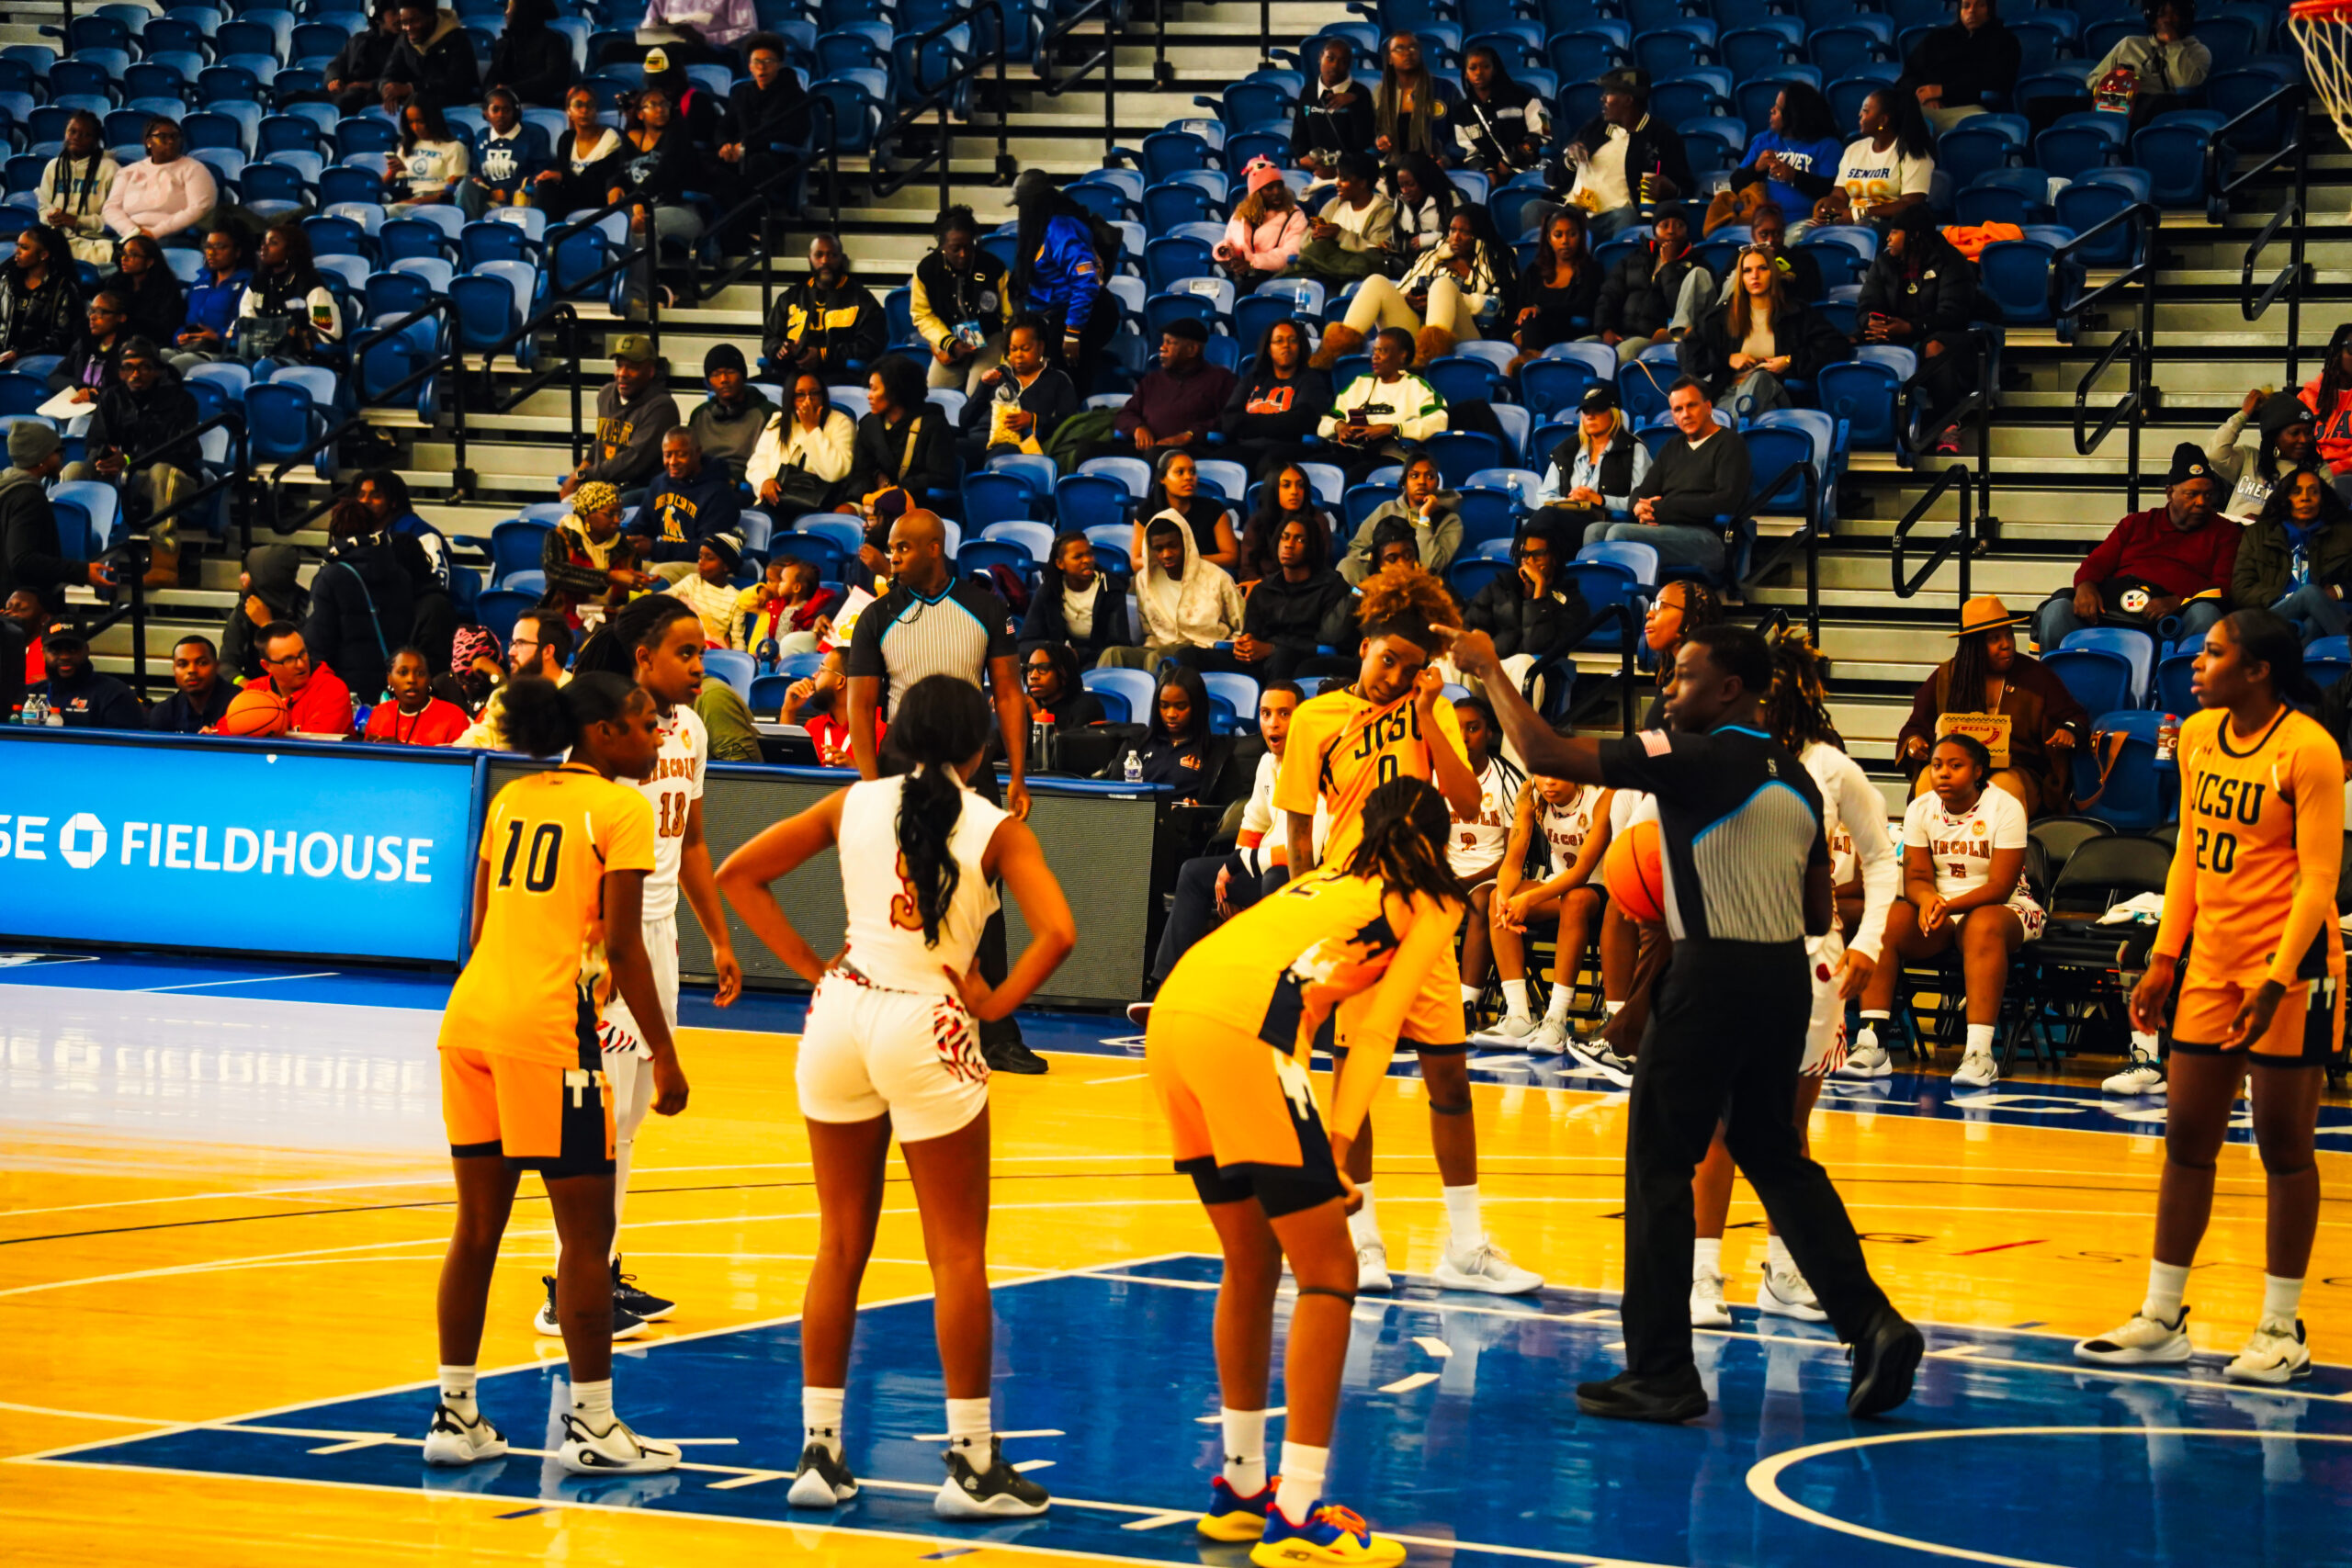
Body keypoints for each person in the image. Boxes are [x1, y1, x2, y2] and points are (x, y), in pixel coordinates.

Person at [1453, 618, 1922, 1423]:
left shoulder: (1689, 754)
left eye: (1685, 675)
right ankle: (1873, 1322)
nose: (1669, 689)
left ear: (1730, 688)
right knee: (1777, 1158)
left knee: (1659, 1165)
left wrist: (1490, 671)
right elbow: (1817, 909)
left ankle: (1663, 1370)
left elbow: (1542, 751)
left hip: (1712, 978)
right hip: (1781, 981)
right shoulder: (1796, 775)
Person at [717, 673, 1072, 1515]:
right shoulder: (996, 826)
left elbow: (738, 874)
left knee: (839, 1244)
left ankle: (818, 1453)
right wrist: (995, 1002)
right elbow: (1059, 931)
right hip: (928, 1019)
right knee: (956, 1254)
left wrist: (813, 968)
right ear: (979, 748)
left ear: (900, 735)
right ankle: (972, 1464)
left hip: (840, 1014)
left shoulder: (853, 801)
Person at [1147, 774, 1459, 1563]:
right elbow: (1377, 1030)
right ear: (1435, 843)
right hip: (1242, 1032)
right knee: (1330, 1272)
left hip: (1171, 1018)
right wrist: (1341, 1143)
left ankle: (1241, 1488)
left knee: (1251, 1261)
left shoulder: (1316, 878)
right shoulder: (1426, 902)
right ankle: (1295, 1513)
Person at [421, 671, 684, 1478]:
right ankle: (593, 1426)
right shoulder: (621, 808)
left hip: (470, 1021)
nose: (658, 737)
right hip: (548, 1031)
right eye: (646, 723)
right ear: (603, 732)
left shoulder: (512, 797)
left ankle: (454, 1414)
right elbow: (626, 946)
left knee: (475, 1228)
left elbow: (479, 925)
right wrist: (665, 1054)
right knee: (586, 1239)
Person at [2075, 610, 2338, 1382]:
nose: (2196, 661)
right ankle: (2162, 1316)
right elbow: (2189, 850)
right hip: (2211, 961)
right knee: (2188, 1136)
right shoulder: (2195, 735)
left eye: (2214, 652)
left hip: (2292, 966)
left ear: (2257, 670)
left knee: (2284, 1146)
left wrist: (2276, 980)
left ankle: (2281, 1327)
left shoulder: (2309, 749)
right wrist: (2165, 957)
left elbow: (2319, 880)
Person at [1275, 567, 1541, 1298]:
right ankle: (1363, 1241)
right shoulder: (1314, 719)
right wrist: (1306, 915)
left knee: (1449, 1079)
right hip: (1355, 914)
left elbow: (1465, 800)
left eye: (1411, 666)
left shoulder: (1435, 711)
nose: (1395, 675)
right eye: (1388, 659)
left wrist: (1427, 713)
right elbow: (1297, 832)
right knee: (1355, 1085)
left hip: (1425, 907)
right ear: (1364, 645)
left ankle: (1466, 1246)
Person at [537, 596, 744, 1333]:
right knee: (597, 1120)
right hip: (605, 941)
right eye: (685, 654)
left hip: (660, 935)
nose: (699, 668)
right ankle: (570, 1283)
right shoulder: (603, 736)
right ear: (642, 659)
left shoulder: (690, 729)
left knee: (627, 1120)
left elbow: (691, 837)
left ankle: (601, 1268)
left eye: (703, 654)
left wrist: (718, 935)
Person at [1690, 629, 1897, 1325]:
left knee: (1786, 1127)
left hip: (1812, 960)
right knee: (1720, 1122)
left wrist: (1869, 941)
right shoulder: (1717, 754)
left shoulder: (1832, 768)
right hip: (1731, 951)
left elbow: (1881, 859)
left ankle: (1783, 1272)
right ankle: (1702, 1276)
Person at [842, 510, 1045, 1074]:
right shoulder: (876, 615)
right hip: (900, 769)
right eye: (891, 549)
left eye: (902, 548)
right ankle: (895, 1024)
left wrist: (1018, 775)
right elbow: (860, 704)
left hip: (972, 768)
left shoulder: (984, 606)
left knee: (985, 900)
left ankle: (997, 1033)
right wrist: (869, 784)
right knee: (900, 895)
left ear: (935, 548)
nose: (892, 558)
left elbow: (1009, 694)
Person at [1856, 732, 2045, 1089]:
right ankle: (1872, 1041)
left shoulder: (2005, 807)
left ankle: (1979, 1054)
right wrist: (1928, 900)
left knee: (1982, 925)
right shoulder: (1921, 808)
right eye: (1937, 765)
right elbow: (1916, 877)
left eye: (1955, 766)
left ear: (1978, 771)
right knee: (1886, 920)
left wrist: (1945, 905)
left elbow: (2000, 886)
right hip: (1942, 907)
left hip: (2006, 907)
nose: (1943, 773)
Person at [1143, 680, 1300, 989]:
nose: (1273, 723)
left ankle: (1268, 991)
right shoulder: (1267, 763)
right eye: (1266, 713)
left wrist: (1238, 864)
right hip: (1264, 865)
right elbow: (1254, 823)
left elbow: (1306, 852)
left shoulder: (1317, 765)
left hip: (1302, 874)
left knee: (1274, 878)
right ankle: (1166, 986)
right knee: (1194, 873)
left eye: (1284, 714)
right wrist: (1230, 875)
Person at [1894, 595, 2087, 830]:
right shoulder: (1947, 677)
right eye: (1994, 639)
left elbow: (2074, 716)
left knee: (2001, 788)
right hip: (1955, 766)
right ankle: (1930, 850)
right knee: (1927, 779)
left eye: (2009, 635)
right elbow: (1916, 726)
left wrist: (2068, 731)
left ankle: (2005, 853)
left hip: (2017, 770)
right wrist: (1914, 742)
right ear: (1974, 646)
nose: (2006, 644)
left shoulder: (2036, 676)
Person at [2034, 444, 2238, 650]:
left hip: (2175, 620)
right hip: (2116, 613)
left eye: (2208, 495)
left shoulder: (2226, 532)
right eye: (2192, 494)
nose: (2201, 502)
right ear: (2170, 493)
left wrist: (2178, 602)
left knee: (2205, 613)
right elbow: (2095, 564)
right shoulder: (2136, 524)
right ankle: (2057, 673)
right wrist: (2086, 586)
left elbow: (2222, 586)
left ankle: (2189, 672)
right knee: (2058, 610)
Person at [1474, 768, 1611, 1051]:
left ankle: (1556, 1019)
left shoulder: (1598, 798)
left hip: (1600, 890)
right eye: (1541, 774)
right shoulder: (1530, 796)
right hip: (1557, 887)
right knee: (1497, 898)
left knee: (1573, 899)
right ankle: (1518, 1016)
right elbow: (1513, 861)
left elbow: (1581, 873)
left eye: (1557, 773)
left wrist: (1530, 899)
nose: (1548, 781)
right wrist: (1506, 896)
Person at [1594, 378, 1751, 578]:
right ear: (1673, 416)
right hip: (1665, 530)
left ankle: (1626, 595)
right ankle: (1595, 595)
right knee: (1595, 531)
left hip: (1708, 537)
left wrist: (1661, 509)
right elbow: (1642, 491)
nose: (1685, 414)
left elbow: (1725, 502)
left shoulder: (1730, 443)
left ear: (1708, 407)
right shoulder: (1672, 446)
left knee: (1619, 534)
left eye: (1691, 406)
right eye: (1678, 409)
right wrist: (1638, 506)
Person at [1858, 205, 1978, 451]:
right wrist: (1873, 322)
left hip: (1947, 338)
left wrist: (1911, 327)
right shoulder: (1884, 263)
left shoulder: (1951, 262)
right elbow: (1866, 305)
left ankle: (1948, 426)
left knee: (1934, 347)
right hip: (1896, 335)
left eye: (1895, 232)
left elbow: (1954, 315)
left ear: (1914, 235)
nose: (1888, 238)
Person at [1333, 204, 1518, 365]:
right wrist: (1409, 299)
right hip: (1417, 333)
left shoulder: (1496, 262)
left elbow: (1497, 307)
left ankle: (1430, 358)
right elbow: (1401, 290)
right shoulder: (1433, 257)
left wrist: (1444, 300)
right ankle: (1336, 353)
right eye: (1452, 230)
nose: (1456, 237)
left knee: (1442, 285)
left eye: (1465, 232)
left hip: (1467, 336)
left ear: (1479, 236)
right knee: (1376, 282)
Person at [59, 339, 200, 548]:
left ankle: (164, 552)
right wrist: (103, 457)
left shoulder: (183, 401)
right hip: (124, 476)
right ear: (121, 373)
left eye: (143, 367)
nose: (135, 374)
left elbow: (180, 453)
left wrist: (127, 460)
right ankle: (72, 546)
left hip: (173, 480)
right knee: (74, 469)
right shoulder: (111, 398)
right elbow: (94, 443)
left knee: (162, 472)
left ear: (157, 371)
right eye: (128, 368)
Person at [1679, 245, 1849, 416]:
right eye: (1747, 270)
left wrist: (1790, 361)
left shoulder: (1797, 313)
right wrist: (1727, 359)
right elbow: (1687, 351)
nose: (1755, 275)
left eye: (1762, 268)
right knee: (1755, 411)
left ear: (1773, 273)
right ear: (1740, 277)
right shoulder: (1723, 315)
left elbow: (1837, 346)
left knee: (1760, 378)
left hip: (1778, 392)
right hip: (1732, 395)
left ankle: (1729, 429)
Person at [1554, 68, 1693, 240]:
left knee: (1626, 217)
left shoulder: (1662, 136)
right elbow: (1552, 177)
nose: (1602, 98)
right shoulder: (1595, 128)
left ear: (1628, 100)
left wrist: (1671, 189)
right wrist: (1569, 160)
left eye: (1609, 93)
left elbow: (1687, 188)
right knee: (1534, 208)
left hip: (1614, 216)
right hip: (1573, 213)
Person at [1102, 513, 1246, 671]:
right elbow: (1146, 629)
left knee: (1158, 658)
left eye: (1173, 546)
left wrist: (1223, 648)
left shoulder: (1217, 578)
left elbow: (1241, 626)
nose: (1167, 554)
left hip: (1201, 649)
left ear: (1186, 543)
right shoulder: (1143, 579)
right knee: (1113, 654)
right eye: (1159, 549)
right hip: (1157, 645)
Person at [1010, 168, 1117, 379]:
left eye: (1022, 205)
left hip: (1081, 315)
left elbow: (1086, 281)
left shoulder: (1061, 229)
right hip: (1053, 314)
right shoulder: (1039, 228)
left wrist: (1072, 333)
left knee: (1065, 378)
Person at [306, 497, 416, 702]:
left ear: (334, 533)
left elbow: (318, 643)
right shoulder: (400, 574)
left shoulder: (330, 577)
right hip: (394, 684)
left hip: (347, 689)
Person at [2230, 468, 2352, 642]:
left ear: (2323, 498)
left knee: (2313, 624)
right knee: (2309, 594)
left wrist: (2339, 591)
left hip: (2327, 611)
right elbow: (2242, 590)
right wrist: (2291, 599)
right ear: (2284, 498)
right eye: (2296, 492)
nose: (2305, 498)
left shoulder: (2344, 534)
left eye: (2314, 492)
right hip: (2273, 613)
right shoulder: (2258, 534)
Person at [1461, 513, 1591, 673]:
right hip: (1490, 667)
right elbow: (1470, 631)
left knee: (1524, 662)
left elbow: (1538, 649)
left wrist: (1539, 590)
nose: (1529, 561)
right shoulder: (1498, 589)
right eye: (1525, 555)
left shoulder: (1572, 603)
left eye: (1538, 555)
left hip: (1537, 674)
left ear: (1555, 558)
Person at [609, 85, 702, 310]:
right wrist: (613, 187)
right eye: (653, 105)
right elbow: (618, 172)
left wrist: (638, 201)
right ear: (640, 113)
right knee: (611, 222)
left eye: (664, 104)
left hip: (681, 210)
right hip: (642, 205)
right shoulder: (631, 140)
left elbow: (664, 173)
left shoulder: (677, 135)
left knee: (645, 223)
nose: (660, 109)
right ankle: (614, 290)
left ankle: (642, 295)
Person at [1236, 513, 1352, 682]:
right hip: (1260, 662)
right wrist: (1244, 645)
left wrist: (1273, 649)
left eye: (1299, 540)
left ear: (1312, 546)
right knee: (1197, 656)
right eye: (1284, 538)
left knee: (1282, 657)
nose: (1289, 545)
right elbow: (1251, 634)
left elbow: (1327, 642)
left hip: (1302, 662)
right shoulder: (1263, 589)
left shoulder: (1332, 586)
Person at [562, 333, 681, 501]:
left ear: (651, 371)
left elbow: (633, 460)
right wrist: (578, 474)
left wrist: (584, 476)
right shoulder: (606, 394)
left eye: (632, 368)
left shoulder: (662, 407)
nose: (622, 374)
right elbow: (600, 443)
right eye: (619, 366)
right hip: (604, 485)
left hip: (641, 490)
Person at [1318, 328, 1449, 479]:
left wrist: (1393, 429)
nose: (1375, 357)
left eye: (1382, 351)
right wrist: (1339, 426)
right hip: (1354, 451)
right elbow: (1325, 422)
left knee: (1356, 474)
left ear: (1402, 355)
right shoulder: (1361, 383)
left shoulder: (1415, 385)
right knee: (1318, 464)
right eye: (1374, 351)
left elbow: (1438, 421)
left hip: (1394, 457)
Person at [851, 355, 958, 537]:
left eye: (874, 389)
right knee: (843, 512)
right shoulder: (869, 425)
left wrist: (897, 491)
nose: (869, 396)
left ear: (896, 391)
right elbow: (860, 472)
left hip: (919, 505)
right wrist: (868, 494)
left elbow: (941, 476)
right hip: (875, 505)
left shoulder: (933, 424)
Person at [1591, 203, 1708, 366]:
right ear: (1654, 231)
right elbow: (1608, 296)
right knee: (1581, 348)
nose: (1671, 231)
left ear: (1687, 231)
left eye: (1679, 226)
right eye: (1664, 225)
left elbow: (1680, 309)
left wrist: (1669, 266)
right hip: (1619, 332)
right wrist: (1606, 330)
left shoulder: (1697, 267)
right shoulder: (1633, 259)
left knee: (1622, 354)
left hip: (1654, 338)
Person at [1534, 381, 1650, 544]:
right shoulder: (1567, 449)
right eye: (1586, 411)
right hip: (1564, 521)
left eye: (1599, 409)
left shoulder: (1634, 450)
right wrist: (1568, 503)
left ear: (1614, 413)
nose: (1590, 416)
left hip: (1605, 524)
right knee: (1544, 517)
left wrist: (1599, 500)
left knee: (1545, 523)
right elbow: (1543, 497)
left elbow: (1642, 502)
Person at [762, 235, 885, 386]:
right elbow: (769, 337)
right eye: (819, 255)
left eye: (832, 255)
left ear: (842, 259)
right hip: (791, 374)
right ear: (809, 259)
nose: (825, 261)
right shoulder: (790, 297)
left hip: (839, 376)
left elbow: (870, 345)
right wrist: (781, 350)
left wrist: (823, 355)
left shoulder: (862, 299)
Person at [912, 207, 1011, 395]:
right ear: (942, 246)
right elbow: (922, 315)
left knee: (977, 391)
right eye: (955, 249)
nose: (963, 254)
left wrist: (1007, 356)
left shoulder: (993, 267)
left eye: (968, 247)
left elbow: (1010, 317)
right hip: (951, 337)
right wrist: (947, 343)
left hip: (991, 336)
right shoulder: (927, 270)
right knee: (935, 393)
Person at [1217, 319, 1331, 480]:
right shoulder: (1252, 379)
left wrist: (1249, 423)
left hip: (1290, 448)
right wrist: (1279, 422)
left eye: (1293, 341)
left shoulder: (1310, 380)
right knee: (1221, 460)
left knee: (1270, 465)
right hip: (1247, 447)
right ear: (1268, 349)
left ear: (1301, 347)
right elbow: (1229, 421)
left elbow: (1302, 421)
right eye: (1279, 341)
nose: (1286, 346)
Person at [1113, 321, 1238, 460]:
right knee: (1094, 450)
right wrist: (1138, 427)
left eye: (1170, 343)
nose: (1162, 348)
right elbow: (1125, 414)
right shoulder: (1152, 380)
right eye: (1163, 342)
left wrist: (1189, 435)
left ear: (1192, 350)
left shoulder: (1220, 379)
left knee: (1155, 455)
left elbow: (1229, 420)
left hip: (1189, 452)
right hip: (1145, 448)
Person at [1099, 666, 1235, 795]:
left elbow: (1231, 807)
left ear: (1198, 706)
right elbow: (1112, 794)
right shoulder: (1136, 742)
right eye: (1164, 706)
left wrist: (1199, 808)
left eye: (1180, 707)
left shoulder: (1217, 751)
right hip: (1139, 812)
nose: (1171, 714)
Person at [1811, 89, 1934, 228]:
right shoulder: (1854, 150)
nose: (1860, 114)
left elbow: (1911, 204)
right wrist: (1827, 210)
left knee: (1863, 226)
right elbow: (1839, 196)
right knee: (1801, 232)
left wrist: (1859, 213)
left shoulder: (1913, 154)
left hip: (1889, 226)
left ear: (1883, 120)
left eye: (1865, 111)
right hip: (1849, 223)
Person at [961, 319, 1077, 465]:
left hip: (1016, 445)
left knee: (1000, 460)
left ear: (1041, 347)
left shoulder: (1058, 380)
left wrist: (1034, 420)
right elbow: (964, 420)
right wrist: (983, 388)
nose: (1019, 355)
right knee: (945, 448)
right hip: (979, 440)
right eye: (1014, 349)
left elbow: (1069, 425)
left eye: (1025, 349)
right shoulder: (997, 375)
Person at [1337, 449, 1462, 585]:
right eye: (1414, 476)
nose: (1422, 482)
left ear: (1437, 484)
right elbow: (1355, 549)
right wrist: (1380, 560)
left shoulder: (1450, 520)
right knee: (1347, 565)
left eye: (1430, 477)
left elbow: (1428, 565)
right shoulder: (1386, 509)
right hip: (1376, 584)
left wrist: (1424, 518)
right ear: (1404, 482)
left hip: (1416, 585)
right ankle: (1361, 597)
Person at [455, 610, 575, 748]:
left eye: (521, 643)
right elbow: (473, 740)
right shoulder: (502, 696)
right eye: (512, 644)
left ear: (547, 651)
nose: (511, 652)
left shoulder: (577, 698)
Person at [2081, 0, 2211, 126]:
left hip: (2161, 109)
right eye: (2162, 14)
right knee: (2072, 104)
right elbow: (2092, 81)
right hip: (2120, 103)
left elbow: (2185, 83)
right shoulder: (2129, 44)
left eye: (2175, 14)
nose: (2168, 20)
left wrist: (2173, 44)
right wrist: (2112, 78)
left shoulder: (2197, 51)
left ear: (2184, 17)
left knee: (2160, 102)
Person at [545, 481, 658, 623]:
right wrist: (609, 576)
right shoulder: (561, 537)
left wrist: (638, 586)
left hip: (610, 622)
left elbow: (629, 598)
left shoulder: (624, 546)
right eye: (610, 514)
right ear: (588, 513)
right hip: (564, 620)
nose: (617, 521)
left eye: (619, 514)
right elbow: (557, 574)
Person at [748, 372, 856, 517]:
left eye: (814, 393)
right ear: (790, 397)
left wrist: (812, 429)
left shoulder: (841, 423)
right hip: (776, 502)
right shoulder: (779, 420)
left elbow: (835, 472)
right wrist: (764, 481)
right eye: (800, 395)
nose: (808, 401)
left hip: (818, 507)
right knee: (748, 523)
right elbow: (757, 462)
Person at [635, 428, 742, 574]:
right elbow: (641, 526)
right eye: (667, 455)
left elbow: (710, 549)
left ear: (697, 453)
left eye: (681, 455)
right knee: (621, 566)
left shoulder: (719, 493)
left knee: (658, 573)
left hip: (702, 566)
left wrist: (654, 549)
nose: (673, 462)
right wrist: (627, 541)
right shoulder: (659, 483)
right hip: (663, 560)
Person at [237, 224, 343, 370]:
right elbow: (247, 320)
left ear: (290, 250)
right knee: (234, 364)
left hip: (303, 358)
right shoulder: (258, 281)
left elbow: (328, 332)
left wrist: (294, 338)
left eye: (273, 243)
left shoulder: (311, 284)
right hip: (260, 353)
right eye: (264, 242)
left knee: (264, 367)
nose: (264, 247)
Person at [1733, 85, 1843, 226]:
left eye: (1778, 109)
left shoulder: (1828, 145)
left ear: (1795, 116)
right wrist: (1756, 168)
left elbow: (1831, 192)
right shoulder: (1765, 140)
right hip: (1765, 220)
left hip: (1807, 221)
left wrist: (1794, 176)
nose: (1771, 110)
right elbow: (1735, 183)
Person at [1903, 0, 2021, 130]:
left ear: (1990, 9)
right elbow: (1908, 76)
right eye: (1966, 6)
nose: (1971, 11)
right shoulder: (1938, 38)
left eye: (1980, 5)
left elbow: (1995, 81)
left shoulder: (2005, 41)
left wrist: (1942, 91)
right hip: (1926, 108)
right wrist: (1925, 97)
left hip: (1972, 110)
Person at [718, 33, 813, 194]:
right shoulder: (742, 94)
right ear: (750, 66)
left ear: (779, 64)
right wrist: (725, 144)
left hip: (776, 161)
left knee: (756, 163)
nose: (762, 67)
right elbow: (724, 126)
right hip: (742, 157)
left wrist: (747, 147)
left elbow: (793, 134)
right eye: (757, 62)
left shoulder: (795, 96)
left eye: (768, 62)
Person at [1290, 152, 1399, 289]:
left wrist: (1339, 234)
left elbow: (1377, 255)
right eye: (1337, 177)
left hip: (1356, 278)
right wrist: (1315, 236)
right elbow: (1304, 243)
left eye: (1343, 179)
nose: (1337, 184)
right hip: (1321, 271)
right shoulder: (1333, 205)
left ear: (1362, 183)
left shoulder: (1384, 212)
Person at [1018, 530, 1130, 664]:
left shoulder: (1111, 589)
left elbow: (1118, 647)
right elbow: (1024, 643)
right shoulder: (1048, 591)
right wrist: (1055, 651)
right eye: (1077, 557)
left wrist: (1079, 655)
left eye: (1090, 554)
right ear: (1060, 564)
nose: (1087, 560)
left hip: (1099, 662)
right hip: (1059, 662)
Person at [101, 119, 216, 249]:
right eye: (163, 137)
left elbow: (200, 207)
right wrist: (131, 231)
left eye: (175, 136)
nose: (170, 141)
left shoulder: (194, 169)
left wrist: (155, 233)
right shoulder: (128, 171)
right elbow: (110, 208)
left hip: (173, 237)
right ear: (148, 142)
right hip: (129, 235)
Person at [2210, 388, 2320, 519]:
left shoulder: (2313, 473)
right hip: (2231, 530)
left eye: (2308, 433)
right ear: (2274, 436)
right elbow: (2214, 454)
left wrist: (2262, 524)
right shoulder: (2250, 457)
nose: (2304, 440)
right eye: (2295, 433)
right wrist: (2243, 414)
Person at [1130, 448, 1240, 573]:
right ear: (1162, 478)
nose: (1188, 477)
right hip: (1161, 577)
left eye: (1192, 472)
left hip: (1205, 576)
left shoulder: (1214, 508)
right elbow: (1136, 562)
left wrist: (1189, 561)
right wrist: (1168, 562)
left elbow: (1231, 557)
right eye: (1180, 472)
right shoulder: (1147, 510)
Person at [1512, 209, 1601, 358]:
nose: (1565, 241)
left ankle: (1532, 366)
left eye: (1572, 234)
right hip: (1534, 332)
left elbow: (1584, 305)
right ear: (1549, 238)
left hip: (1572, 334)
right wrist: (1516, 333)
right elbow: (1519, 306)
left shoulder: (1591, 270)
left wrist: (1541, 310)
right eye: (1558, 235)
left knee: (1532, 319)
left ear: (1580, 237)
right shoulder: (1534, 270)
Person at [1454, 44, 1550, 178]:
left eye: (1486, 67)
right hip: (1490, 179)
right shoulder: (1461, 112)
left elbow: (1544, 135)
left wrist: (1511, 159)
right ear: (1465, 73)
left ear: (1494, 69)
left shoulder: (1525, 98)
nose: (1479, 73)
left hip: (1529, 173)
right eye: (1472, 68)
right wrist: (1487, 172)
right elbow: (1470, 154)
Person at [685, 344, 775, 486]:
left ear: (743, 375)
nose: (723, 379)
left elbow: (769, 464)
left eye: (730, 372)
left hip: (743, 486)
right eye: (716, 374)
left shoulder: (769, 413)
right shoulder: (699, 414)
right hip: (701, 483)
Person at [244, 622, 356, 735]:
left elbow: (314, 743)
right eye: (289, 660)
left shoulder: (331, 690)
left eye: (302, 653)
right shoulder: (255, 692)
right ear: (267, 666)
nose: (301, 664)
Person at [1237, 461, 1337, 585]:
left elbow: (1320, 566)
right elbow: (1247, 568)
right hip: (1262, 586)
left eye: (1300, 486)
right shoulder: (1258, 521)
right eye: (1286, 485)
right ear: (1273, 489)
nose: (1295, 491)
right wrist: (1259, 587)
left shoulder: (1317, 520)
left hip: (1305, 588)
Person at [533, 85, 628, 214]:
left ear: (596, 111)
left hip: (596, 203)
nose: (584, 110)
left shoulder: (610, 139)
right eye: (578, 105)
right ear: (569, 111)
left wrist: (563, 178)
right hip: (570, 199)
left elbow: (598, 186)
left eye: (590, 105)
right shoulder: (566, 139)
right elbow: (565, 179)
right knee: (545, 184)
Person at [0, 225, 85, 367]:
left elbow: (62, 338)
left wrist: (19, 353)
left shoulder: (63, 289)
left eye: (24, 248)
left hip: (37, 361)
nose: (16, 251)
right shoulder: (7, 281)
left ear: (44, 255)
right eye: (17, 245)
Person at [1291, 37, 1374, 180]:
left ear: (1349, 65)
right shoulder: (1308, 91)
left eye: (1343, 62)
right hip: (1313, 169)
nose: (1335, 66)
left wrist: (1354, 106)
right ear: (1320, 57)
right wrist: (1305, 159)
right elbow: (1298, 135)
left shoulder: (1360, 93)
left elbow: (1363, 142)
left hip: (1349, 172)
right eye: (1330, 58)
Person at [168, 229, 251, 372]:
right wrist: (179, 336)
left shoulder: (248, 283)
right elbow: (182, 320)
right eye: (208, 247)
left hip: (223, 351)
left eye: (219, 247)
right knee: (159, 356)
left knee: (177, 363)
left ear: (237, 252)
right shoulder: (199, 283)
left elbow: (248, 327)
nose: (211, 252)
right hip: (190, 346)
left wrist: (217, 336)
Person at [30, 625, 142, 729]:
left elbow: (121, 742)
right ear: (43, 654)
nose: (64, 656)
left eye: (72, 649)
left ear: (87, 650)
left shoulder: (115, 695)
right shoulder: (31, 693)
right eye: (55, 650)